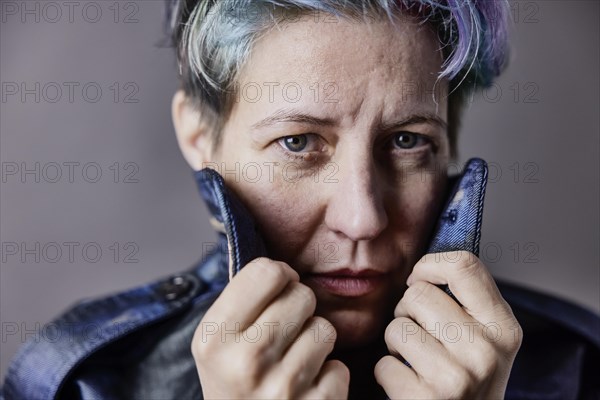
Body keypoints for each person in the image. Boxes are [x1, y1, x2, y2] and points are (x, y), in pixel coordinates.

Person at [2, 1, 598, 399]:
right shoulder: (83, 384)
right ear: (198, 136)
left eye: (408, 141)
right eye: (297, 142)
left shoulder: (578, 370)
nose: (362, 218)